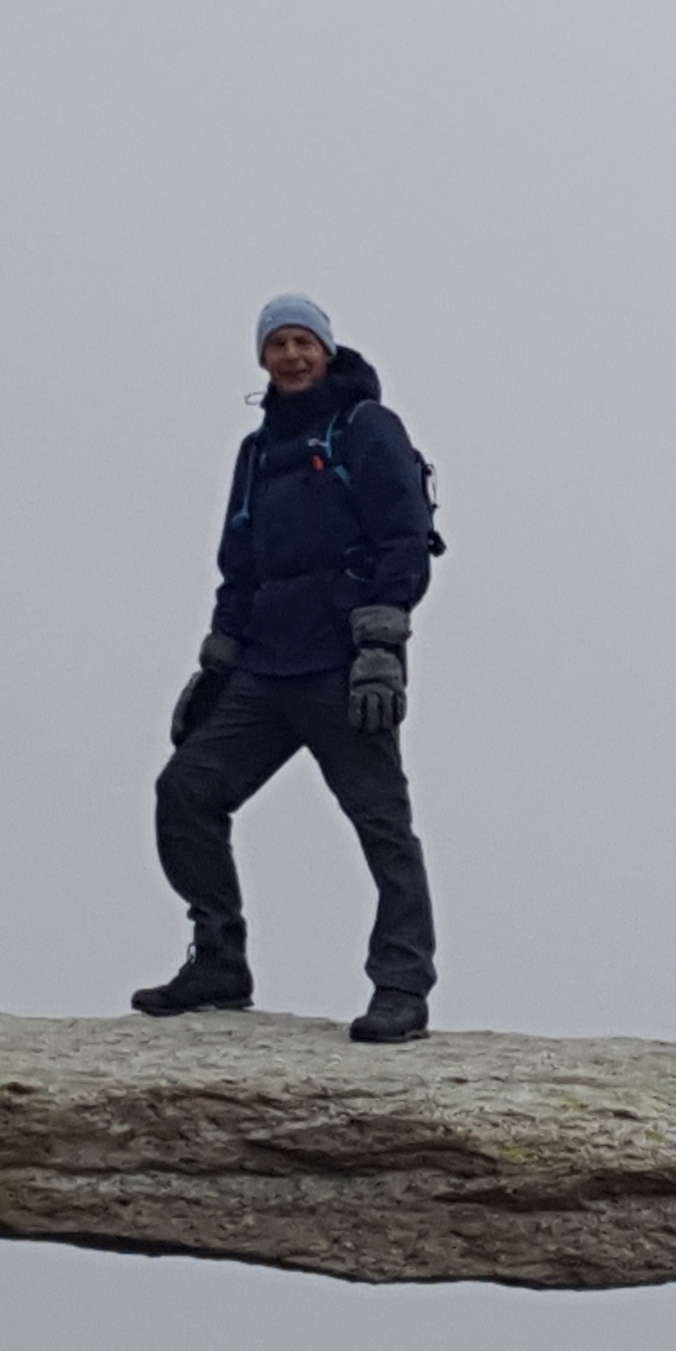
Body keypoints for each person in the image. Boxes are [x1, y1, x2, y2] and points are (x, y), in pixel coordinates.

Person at [134, 295, 440, 1043]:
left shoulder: (366, 430)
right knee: (187, 789)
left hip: (342, 665)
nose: (293, 356)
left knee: (380, 823)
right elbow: (238, 566)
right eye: (279, 345)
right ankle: (218, 960)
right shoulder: (255, 452)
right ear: (262, 359)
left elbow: (404, 538)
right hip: (267, 668)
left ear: (327, 351)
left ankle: (401, 985)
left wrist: (379, 652)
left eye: (305, 342)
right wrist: (215, 665)